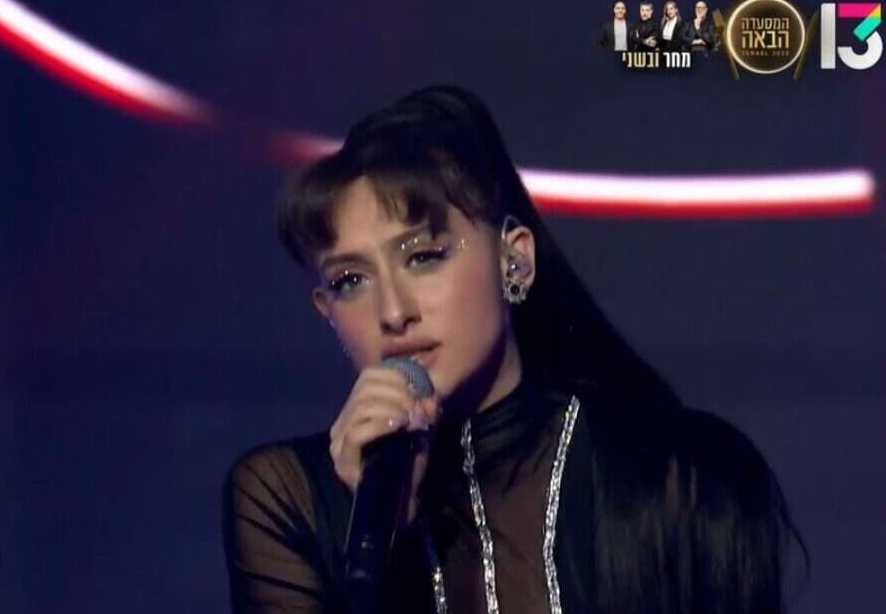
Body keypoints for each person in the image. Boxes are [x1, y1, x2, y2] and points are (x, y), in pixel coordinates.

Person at [222, 86, 806, 613]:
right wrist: (386, 550)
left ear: (515, 260)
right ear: (326, 309)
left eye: (423, 256)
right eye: (351, 280)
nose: (393, 312)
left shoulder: (683, 476)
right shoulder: (287, 500)